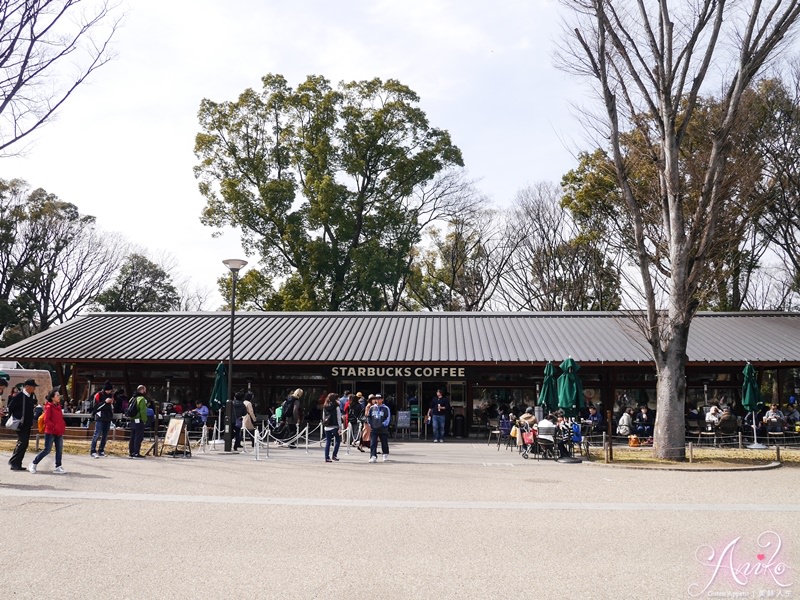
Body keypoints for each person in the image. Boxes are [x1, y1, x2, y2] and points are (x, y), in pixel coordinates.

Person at [28, 390, 67, 474]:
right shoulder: (49, 407)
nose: (59, 396)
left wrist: (62, 426)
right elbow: (46, 420)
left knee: (59, 450)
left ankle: (58, 466)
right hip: (50, 432)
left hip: (59, 432)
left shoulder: (59, 406)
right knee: (47, 450)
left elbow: (60, 419)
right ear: (53, 397)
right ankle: (34, 463)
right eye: (57, 395)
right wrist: (54, 427)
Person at [7, 379, 38, 471]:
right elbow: (11, 407)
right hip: (20, 424)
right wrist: (16, 417)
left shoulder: (31, 396)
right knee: (23, 442)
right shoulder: (19, 396)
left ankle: (16, 462)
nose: (34, 389)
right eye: (33, 387)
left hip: (27, 424)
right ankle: (14, 462)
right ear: (27, 386)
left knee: (23, 443)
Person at [90, 381, 115, 457]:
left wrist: (111, 404)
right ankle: (93, 450)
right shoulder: (98, 395)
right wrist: (105, 402)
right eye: (108, 390)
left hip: (108, 417)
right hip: (100, 417)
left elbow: (112, 407)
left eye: (110, 390)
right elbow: (95, 407)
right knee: (97, 434)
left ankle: (101, 450)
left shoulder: (111, 396)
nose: (109, 392)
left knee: (105, 435)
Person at [367, 394, 390, 463]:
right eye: (376, 398)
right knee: (373, 443)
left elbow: (388, 418)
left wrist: (383, 424)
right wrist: (370, 424)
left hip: (383, 428)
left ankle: (385, 454)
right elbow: (369, 417)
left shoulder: (386, 408)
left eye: (379, 398)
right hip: (374, 428)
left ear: (382, 399)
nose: (377, 400)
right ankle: (373, 456)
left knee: (384, 442)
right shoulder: (372, 408)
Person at [128, 385, 148, 458]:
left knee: (132, 436)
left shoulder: (132, 398)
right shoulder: (141, 399)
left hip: (132, 419)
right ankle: (136, 452)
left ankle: (131, 452)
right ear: (142, 390)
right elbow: (143, 411)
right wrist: (144, 420)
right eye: (145, 390)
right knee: (138, 437)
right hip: (139, 420)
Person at [322, 392, 343, 463]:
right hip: (334, 426)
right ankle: (334, 455)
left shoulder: (325, 406)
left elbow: (323, 416)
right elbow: (339, 417)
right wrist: (340, 426)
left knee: (328, 441)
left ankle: (326, 457)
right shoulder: (336, 406)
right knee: (338, 440)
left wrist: (324, 423)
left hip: (327, 426)